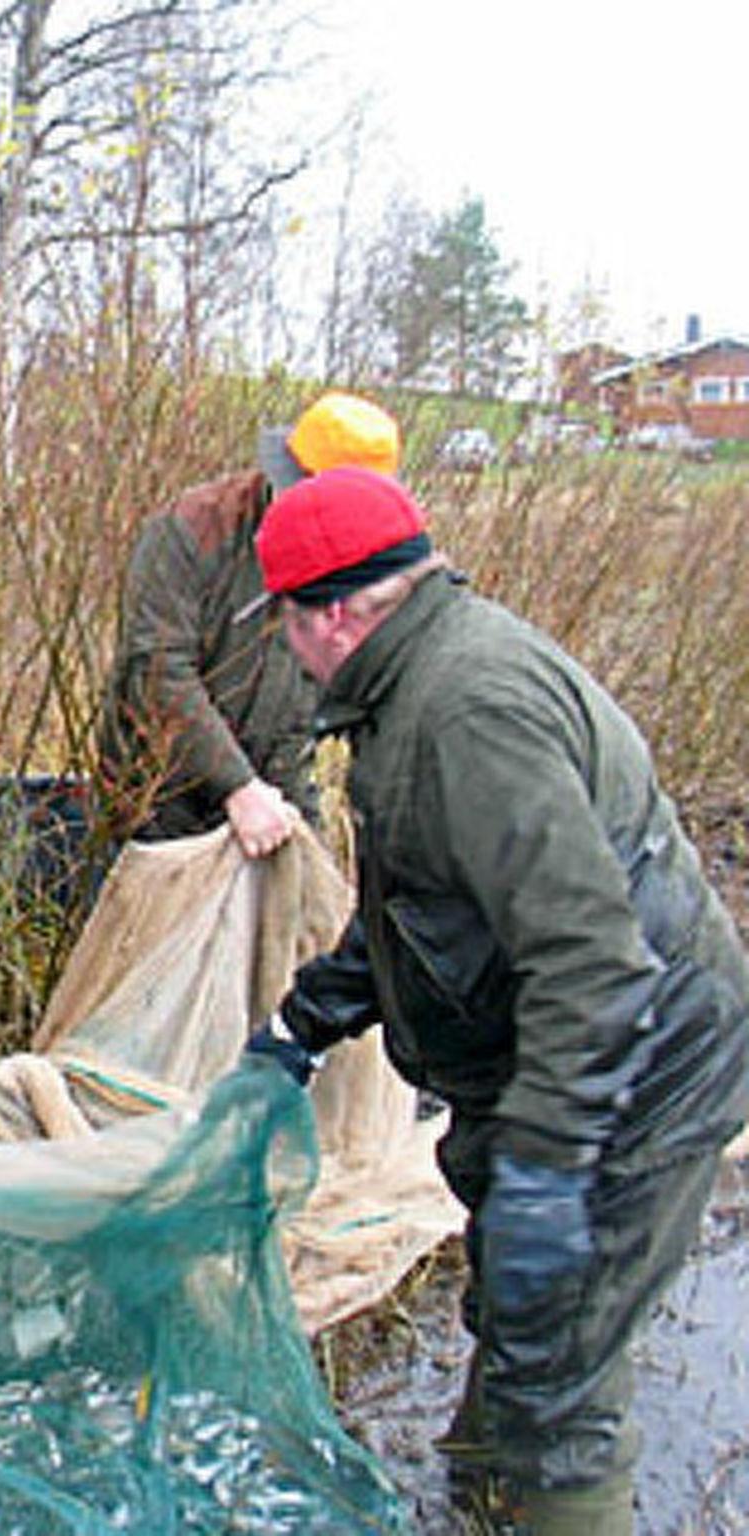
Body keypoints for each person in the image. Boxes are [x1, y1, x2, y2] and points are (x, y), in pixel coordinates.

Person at [243, 467, 749, 1535]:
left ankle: (543, 1496)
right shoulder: (412, 680)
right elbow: (427, 903)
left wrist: (548, 1170)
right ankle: (480, 1493)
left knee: (558, 1377)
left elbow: (594, 964)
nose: (282, 648)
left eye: (283, 620)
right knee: (519, 1332)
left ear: (332, 614)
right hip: (551, 1056)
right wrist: (307, 1018)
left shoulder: (467, 711)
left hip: (637, 1076)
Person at [96, 391, 400, 858]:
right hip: (160, 800)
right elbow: (156, 670)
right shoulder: (189, 530)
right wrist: (236, 785)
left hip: (279, 791)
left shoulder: (362, 563)